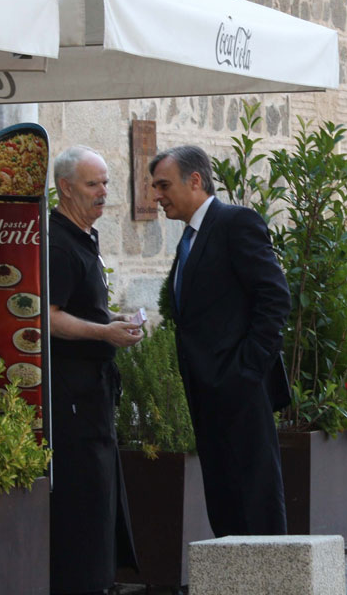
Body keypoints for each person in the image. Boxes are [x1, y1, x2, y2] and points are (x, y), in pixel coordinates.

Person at [149, 144, 291, 537]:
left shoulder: (235, 223)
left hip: (239, 389)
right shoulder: (189, 239)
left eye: (163, 185)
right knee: (224, 498)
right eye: (155, 186)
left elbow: (275, 297)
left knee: (255, 499)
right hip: (206, 391)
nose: (157, 196)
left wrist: (246, 370)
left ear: (195, 181)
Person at [47, 145, 142, 594]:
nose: (104, 192)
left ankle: (100, 579)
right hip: (70, 395)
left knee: (100, 490)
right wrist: (104, 334)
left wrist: (111, 322)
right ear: (65, 188)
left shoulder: (84, 234)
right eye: (93, 184)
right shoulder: (59, 241)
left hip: (93, 391)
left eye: (105, 182)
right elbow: (47, 317)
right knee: (83, 494)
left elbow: (81, 309)